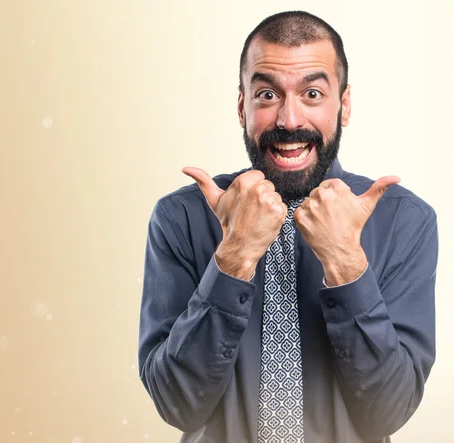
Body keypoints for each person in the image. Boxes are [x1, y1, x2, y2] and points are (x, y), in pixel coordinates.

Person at [138, 10, 438, 443]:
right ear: (242, 106)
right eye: (267, 95)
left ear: (345, 104)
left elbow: (387, 413)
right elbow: (177, 404)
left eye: (312, 93)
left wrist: (345, 262)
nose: (289, 120)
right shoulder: (179, 219)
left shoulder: (406, 221)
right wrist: (234, 255)